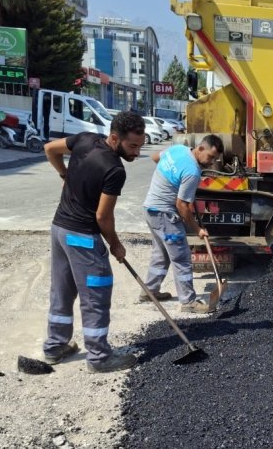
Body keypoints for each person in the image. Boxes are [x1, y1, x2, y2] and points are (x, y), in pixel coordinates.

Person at [42, 112, 145, 373]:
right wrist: (116, 245)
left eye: (140, 145)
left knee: (62, 290)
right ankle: (99, 358)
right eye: (132, 146)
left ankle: (55, 347)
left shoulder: (85, 140)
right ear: (114, 138)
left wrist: (64, 174)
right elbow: (102, 216)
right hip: (82, 237)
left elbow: (49, 149)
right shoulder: (114, 169)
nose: (137, 152)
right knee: (96, 295)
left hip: (59, 230)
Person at [142, 135, 224, 313]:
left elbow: (156, 157)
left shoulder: (178, 150)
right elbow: (182, 206)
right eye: (210, 157)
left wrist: (171, 178)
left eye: (215, 159)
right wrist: (198, 230)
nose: (212, 162)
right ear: (200, 149)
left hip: (150, 209)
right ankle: (188, 302)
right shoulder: (192, 171)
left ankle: (149, 291)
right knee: (182, 257)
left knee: (161, 253)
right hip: (165, 215)